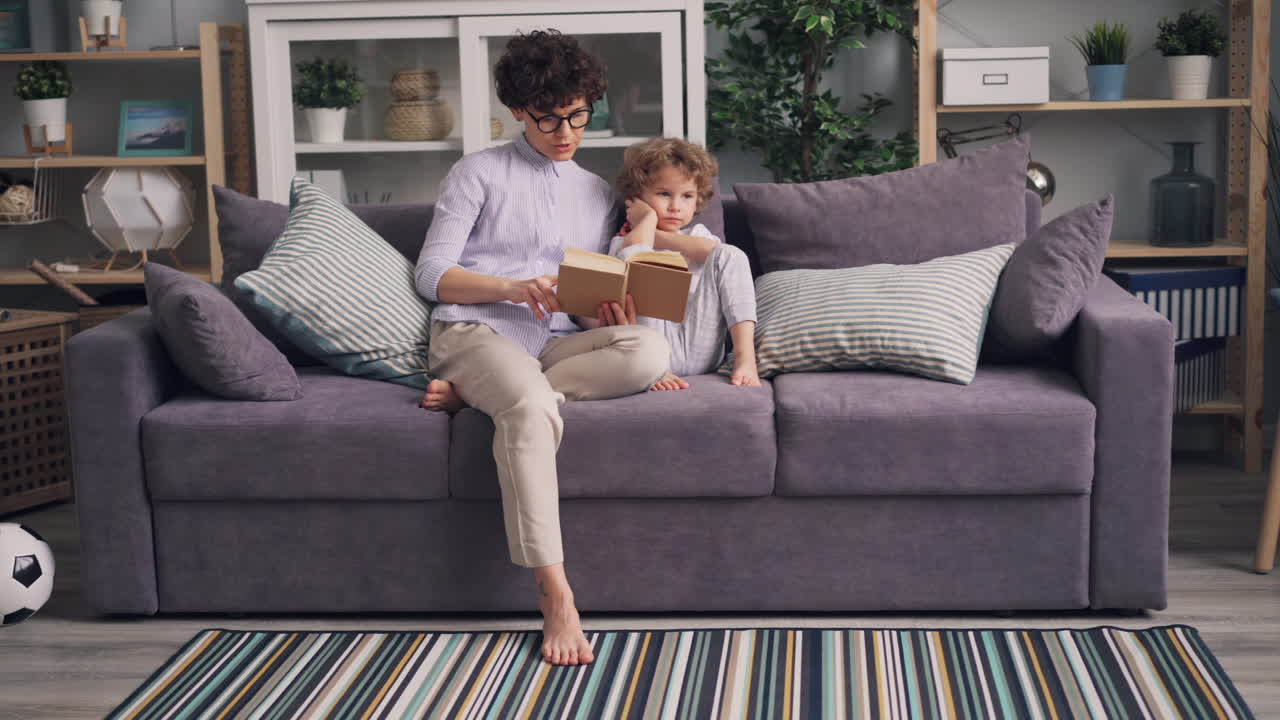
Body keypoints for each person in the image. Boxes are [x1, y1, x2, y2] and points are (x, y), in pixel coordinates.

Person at [414, 30, 671, 666]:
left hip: (553, 344)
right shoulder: (477, 172)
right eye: (548, 118)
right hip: (476, 329)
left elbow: (582, 300)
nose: (565, 132)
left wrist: (602, 308)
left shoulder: (596, 192)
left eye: (578, 116)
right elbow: (431, 273)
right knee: (529, 408)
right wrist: (511, 286)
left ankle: (489, 399)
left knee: (647, 351)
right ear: (518, 110)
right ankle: (556, 595)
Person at [607, 137, 760, 391]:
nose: (676, 207)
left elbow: (716, 253)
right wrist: (647, 220)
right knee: (639, 260)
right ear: (637, 197)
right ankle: (653, 369)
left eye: (687, 196)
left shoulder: (697, 236)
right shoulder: (625, 242)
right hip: (649, 350)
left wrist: (658, 236)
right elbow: (635, 256)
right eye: (664, 194)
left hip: (700, 345)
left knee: (731, 254)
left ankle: (746, 358)